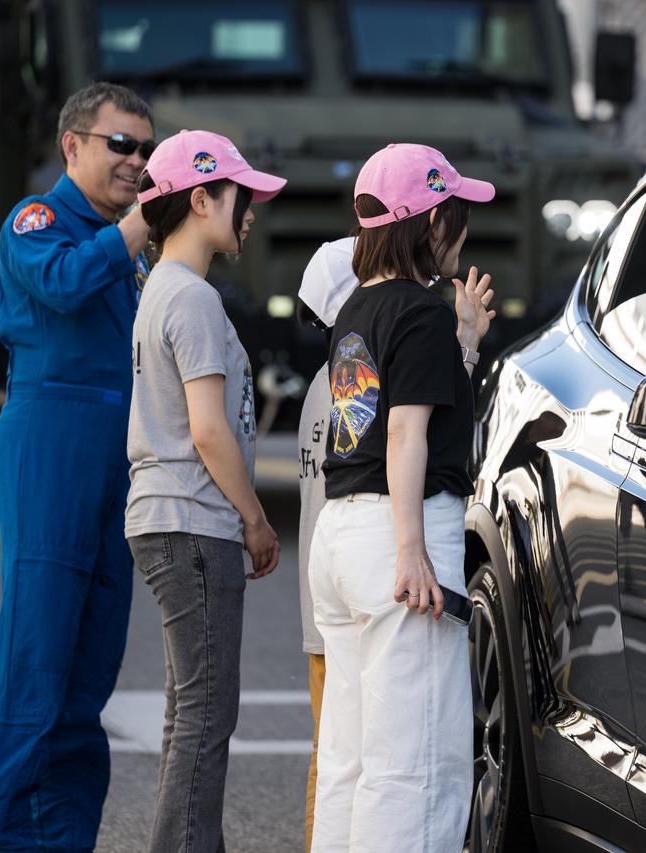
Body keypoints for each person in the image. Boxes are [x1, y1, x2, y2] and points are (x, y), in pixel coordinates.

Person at [0, 82, 154, 852]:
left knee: (92, 654)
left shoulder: (126, 246)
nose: (137, 162)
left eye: (145, 150)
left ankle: (64, 829)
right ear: (73, 144)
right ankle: (11, 829)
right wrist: (138, 231)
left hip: (114, 457)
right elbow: (61, 284)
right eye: (122, 145)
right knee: (39, 647)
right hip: (52, 446)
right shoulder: (39, 222)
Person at [309, 143, 496, 853]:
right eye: (456, 213)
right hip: (397, 536)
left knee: (353, 762)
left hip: (342, 535)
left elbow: (407, 413)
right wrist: (413, 550)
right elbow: (407, 436)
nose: (463, 230)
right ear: (427, 222)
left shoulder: (357, 308)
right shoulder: (419, 312)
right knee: (413, 770)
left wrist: (466, 343)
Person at [124, 129, 286, 853]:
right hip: (194, 520)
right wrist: (255, 517)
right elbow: (209, 430)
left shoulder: (166, 289)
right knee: (206, 713)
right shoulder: (189, 299)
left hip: (169, 518)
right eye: (240, 197)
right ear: (200, 198)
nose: (250, 213)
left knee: (190, 709)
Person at [294, 236, 359, 851]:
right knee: (341, 758)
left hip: (320, 601)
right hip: (345, 600)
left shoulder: (321, 382)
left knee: (329, 752)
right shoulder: (352, 382)